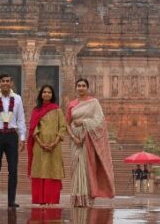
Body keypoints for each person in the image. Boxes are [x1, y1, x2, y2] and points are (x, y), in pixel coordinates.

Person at [66, 78, 115, 206]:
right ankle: (77, 197)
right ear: (75, 88)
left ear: (87, 88)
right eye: (79, 86)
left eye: (83, 86)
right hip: (75, 139)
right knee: (76, 167)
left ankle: (86, 198)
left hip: (88, 139)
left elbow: (100, 121)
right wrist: (73, 137)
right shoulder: (71, 104)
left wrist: (83, 122)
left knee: (87, 167)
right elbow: (67, 123)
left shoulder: (94, 103)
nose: (81, 88)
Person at [0, 73, 26, 208]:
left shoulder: (18, 99)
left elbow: (21, 119)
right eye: (3, 81)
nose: (5, 83)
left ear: (11, 83)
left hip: (12, 136)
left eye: (8, 81)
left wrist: (22, 138)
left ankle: (11, 201)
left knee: (13, 169)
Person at [27, 85, 66, 205]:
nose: (47, 94)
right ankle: (40, 199)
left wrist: (54, 142)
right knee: (40, 170)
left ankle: (52, 199)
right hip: (39, 146)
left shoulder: (57, 110)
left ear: (52, 95)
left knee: (53, 170)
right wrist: (41, 143)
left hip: (55, 146)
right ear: (41, 94)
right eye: (44, 92)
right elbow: (33, 128)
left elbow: (63, 126)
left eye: (49, 92)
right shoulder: (36, 110)